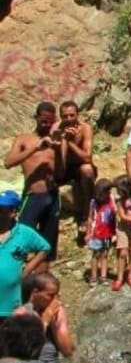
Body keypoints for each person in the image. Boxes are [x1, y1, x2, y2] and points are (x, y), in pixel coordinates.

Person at [4, 101, 65, 270]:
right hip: (32, 195)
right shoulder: (24, 139)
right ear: (36, 118)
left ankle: (39, 285)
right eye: (43, 120)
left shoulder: (58, 141)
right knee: (21, 240)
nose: (46, 124)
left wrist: (58, 149)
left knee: (47, 245)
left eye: (50, 121)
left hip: (52, 196)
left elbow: (60, 173)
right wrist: (36, 147)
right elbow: (8, 162)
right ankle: (16, 279)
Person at [0, 190, 50, 319]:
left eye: (1, 209)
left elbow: (45, 248)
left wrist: (28, 268)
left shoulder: (24, 233)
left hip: (11, 306)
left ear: (12, 212)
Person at [13, 272, 75, 363]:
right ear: (35, 292)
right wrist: (44, 321)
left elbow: (67, 351)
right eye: (50, 295)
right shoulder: (21, 314)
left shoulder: (58, 312)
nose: (55, 300)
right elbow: (25, 351)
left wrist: (54, 325)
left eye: (57, 295)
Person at [58, 100, 96, 241]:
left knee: (87, 170)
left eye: (72, 115)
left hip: (79, 166)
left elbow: (87, 157)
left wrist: (70, 142)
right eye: (65, 116)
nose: (68, 119)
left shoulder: (85, 129)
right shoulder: (57, 128)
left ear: (78, 115)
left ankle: (87, 213)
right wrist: (61, 140)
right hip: (63, 167)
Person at [86, 178, 116, 287]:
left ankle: (103, 276)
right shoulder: (93, 202)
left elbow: (115, 213)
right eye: (107, 191)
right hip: (96, 233)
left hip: (108, 232)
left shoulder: (111, 199)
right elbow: (90, 217)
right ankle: (94, 276)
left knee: (105, 254)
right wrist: (88, 233)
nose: (109, 193)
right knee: (95, 254)